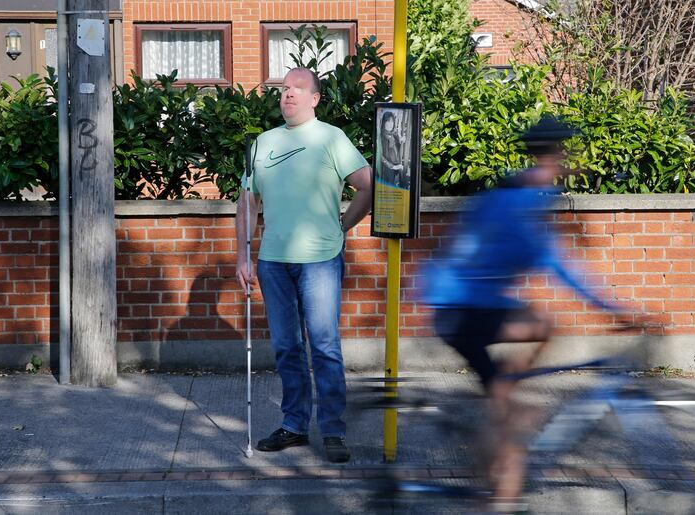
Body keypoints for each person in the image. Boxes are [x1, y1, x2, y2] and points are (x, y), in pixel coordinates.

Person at [422, 115, 636, 512]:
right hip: (464, 306)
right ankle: (497, 496)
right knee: (532, 348)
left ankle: (504, 399)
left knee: (517, 369)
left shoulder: (510, 189)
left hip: (459, 301)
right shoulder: (520, 205)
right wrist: (617, 311)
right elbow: (561, 265)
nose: (566, 167)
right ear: (552, 156)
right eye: (563, 158)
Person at [236, 67, 372, 463]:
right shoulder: (263, 143)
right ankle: (294, 426)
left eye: (297, 89)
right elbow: (247, 202)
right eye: (283, 89)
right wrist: (243, 256)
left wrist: (345, 223)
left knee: (325, 345)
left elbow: (367, 184)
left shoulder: (331, 137)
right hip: (273, 261)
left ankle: (332, 430)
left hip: (321, 259)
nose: (287, 95)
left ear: (314, 98)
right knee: (286, 347)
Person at [379, 111, 406, 187]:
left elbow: (396, 147)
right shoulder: (382, 137)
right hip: (388, 168)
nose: (390, 124)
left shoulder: (394, 134)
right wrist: (392, 166)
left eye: (392, 121)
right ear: (384, 122)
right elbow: (380, 156)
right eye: (388, 121)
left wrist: (401, 140)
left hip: (397, 164)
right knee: (389, 187)